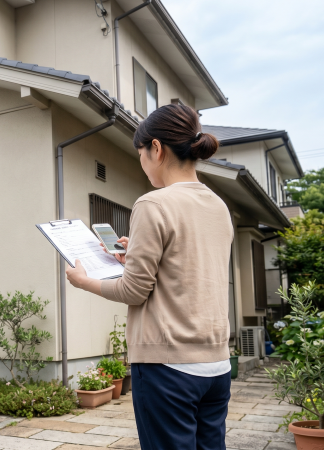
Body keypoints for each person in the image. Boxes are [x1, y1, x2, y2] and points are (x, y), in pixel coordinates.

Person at [65, 104, 232, 450]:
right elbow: (187, 269)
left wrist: (84, 281)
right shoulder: (218, 206)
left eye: (140, 153)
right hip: (216, 365)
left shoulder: (153, 204)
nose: (141, 162)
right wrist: (136, 255)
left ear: (156, 149)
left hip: (167, 367)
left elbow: (134, 290)